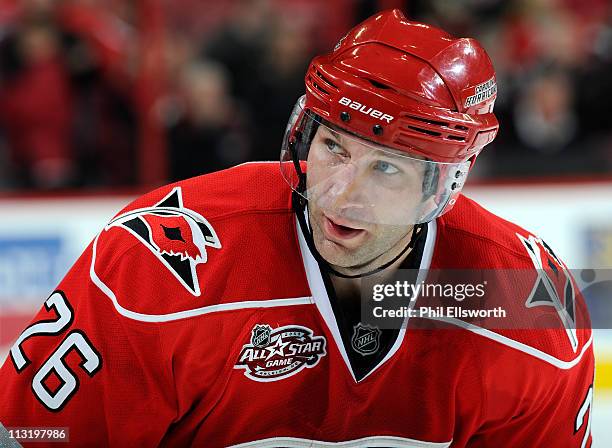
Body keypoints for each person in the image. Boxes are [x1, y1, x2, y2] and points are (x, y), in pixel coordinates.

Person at [0, 9, 594, 447]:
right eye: (334, 147)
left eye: (386, 167)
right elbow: (28, 436)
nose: (341, 192)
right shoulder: (159, 265)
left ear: (447, 183)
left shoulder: (524, 304)